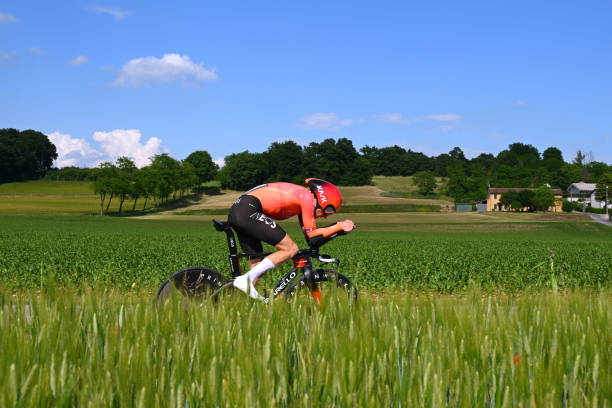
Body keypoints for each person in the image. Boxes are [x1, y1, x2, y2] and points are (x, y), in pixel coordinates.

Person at [228, 178, 355, 300]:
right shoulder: (307, 198)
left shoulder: (303, 199)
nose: (326, 217)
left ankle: (238, 304)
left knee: (257, 266)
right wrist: (339, 226)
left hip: (241, 210)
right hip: (248, 209)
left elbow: (313, 240)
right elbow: (313, 236)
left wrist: (338, 231)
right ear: (322, 201)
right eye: (327, 212)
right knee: (291, 249)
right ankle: (245, 281)